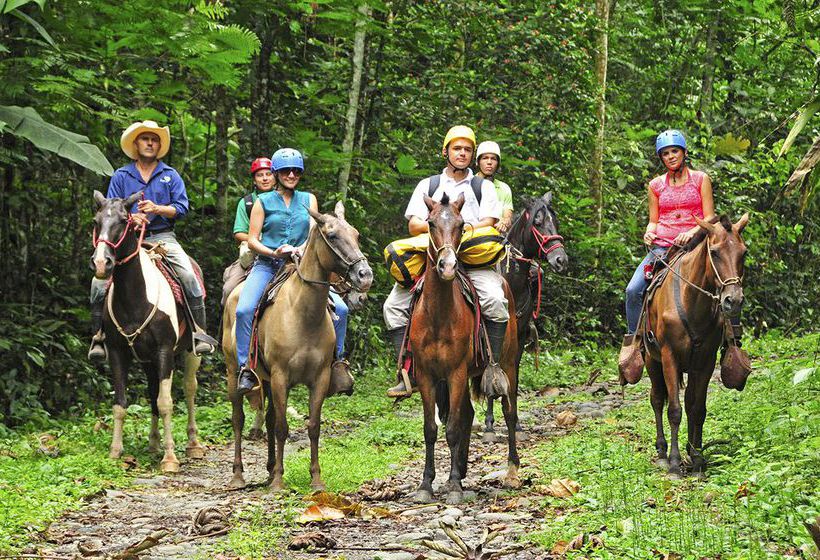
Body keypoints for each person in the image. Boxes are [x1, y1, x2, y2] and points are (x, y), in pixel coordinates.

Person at [384, 125, 509, 397]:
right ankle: (408, 371)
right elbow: (415, 223)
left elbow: (489, 222)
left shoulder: (482, 186)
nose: (462, 154)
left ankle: (493, 367)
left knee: (496, 300)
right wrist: (441, 226)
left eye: (467, 149)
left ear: (472, 155)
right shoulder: (427, 185)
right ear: (446, 151)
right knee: (393, 306)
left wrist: (457, 227)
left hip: (471, 257)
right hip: (434, 255)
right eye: (457, 148)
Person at [88, 120, 213, 360]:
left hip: (163, 237)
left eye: (154, 139)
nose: (150, 143)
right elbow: (111, 209)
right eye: (145, 139)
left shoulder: (170, 175)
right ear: (136, 144)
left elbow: (182, 207)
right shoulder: (122, 175)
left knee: (188, 275)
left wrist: (158, 209)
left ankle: (199, 333)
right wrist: (131, 217)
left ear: (159, 145)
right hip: (126, 240)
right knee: (98, 284)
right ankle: (99, 337)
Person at [235, 148, 352, 397]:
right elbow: (253, 240)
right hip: (268, 265)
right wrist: (273, 252)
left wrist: (301, 248)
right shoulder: (262, 202)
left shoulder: (309, 199)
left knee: (341, 309)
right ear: (276, 173)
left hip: (300, 266)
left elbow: (314, 233)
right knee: (244, 309)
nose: (291, 174)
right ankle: (246, 368)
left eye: (296, 171)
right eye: (286, 171)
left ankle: (338, 363)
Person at [620, 129, 724, 361]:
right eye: (665, 153)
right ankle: (634, 343)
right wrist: (649, 232)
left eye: (674, 151)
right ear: (661, 158)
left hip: (695, 246)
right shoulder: (655, 185)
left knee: (726, 280)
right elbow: (653, 220)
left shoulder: (700, 179)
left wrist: (692, 232)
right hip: (662, 247)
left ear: (684, 152)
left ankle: (732, 340)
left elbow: (710, 217)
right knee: (633, 289)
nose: (670, 156)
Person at [221, 157, 275, 306]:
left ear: (275, 176)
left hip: (283, 253)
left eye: (268, 174)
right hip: (253, 255)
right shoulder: (247, 203)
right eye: (260, 175)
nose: (265, 178)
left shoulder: (286, 199)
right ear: (254, 180)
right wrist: (258, 239)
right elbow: (238, 232)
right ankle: (225, 327)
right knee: (229, 289)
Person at [476, 141, 514, 233]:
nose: (489, 162)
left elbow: (507, 215)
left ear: (498, 163)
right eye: (485, 158)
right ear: (478, 162)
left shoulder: (504, 188)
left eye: (493, 159)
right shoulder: (468, 184)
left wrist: (504, 222)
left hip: (496, 237)